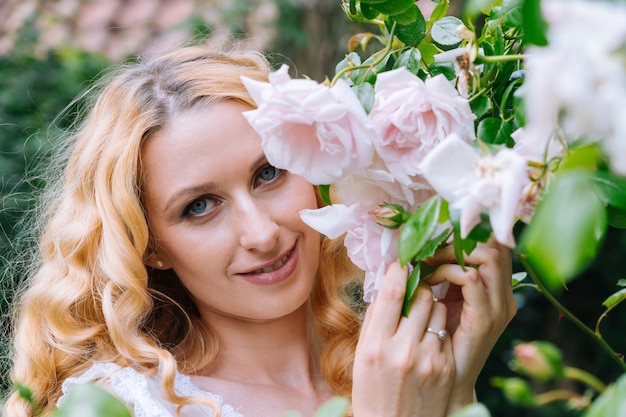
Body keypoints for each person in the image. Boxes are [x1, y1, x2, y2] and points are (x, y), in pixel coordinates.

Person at [4, 46, 517, 417]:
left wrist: (456, 386)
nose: (261, 233)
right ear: (150, 246)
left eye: (268, 173)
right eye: (200, 206)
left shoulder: (397, 373)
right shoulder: (123, 406)